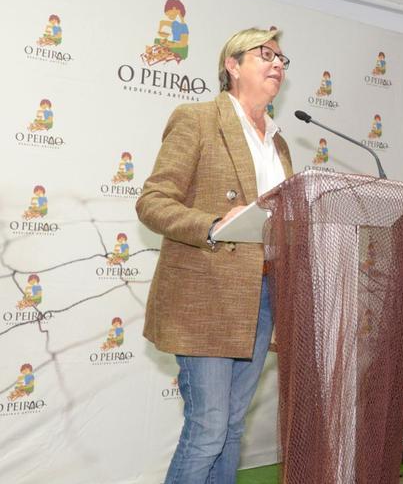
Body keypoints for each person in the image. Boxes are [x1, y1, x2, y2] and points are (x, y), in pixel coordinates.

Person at [136, 27, 293, 483]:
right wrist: (211, 224)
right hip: (205, 297)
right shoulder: (197, 119)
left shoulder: (278, 142)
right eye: (266, 54)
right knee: (207, 430)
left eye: (282, 58)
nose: (278, 64)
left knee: (229, 427)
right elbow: (153, 201)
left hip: (262, 296)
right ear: (232, 63)